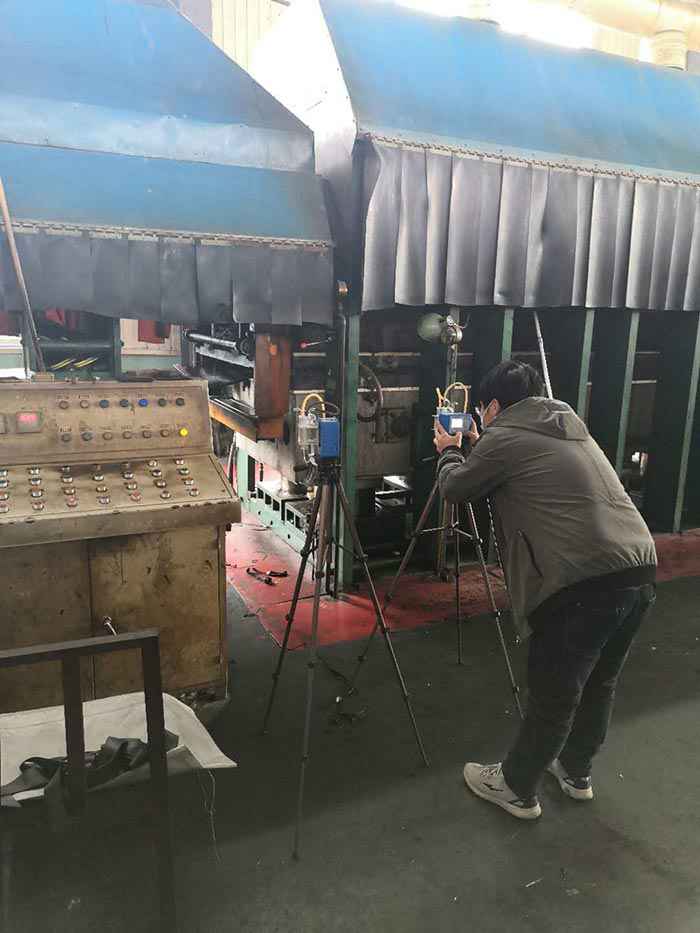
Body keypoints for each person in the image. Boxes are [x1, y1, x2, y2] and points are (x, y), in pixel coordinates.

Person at [434, 360, 657, 821]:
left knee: (554, 692)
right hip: (638, 570)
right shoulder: (567, 428)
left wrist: (450, 450)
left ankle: (516, 787)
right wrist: (479, 446)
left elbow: (455, 488)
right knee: (600, 682)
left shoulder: (503, 437)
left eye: (482, 410)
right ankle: (576, 772)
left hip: (580, 584)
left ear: (493, 407)